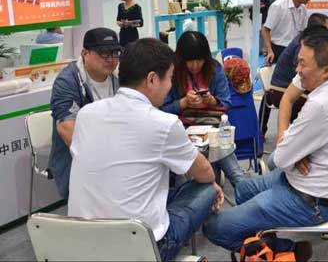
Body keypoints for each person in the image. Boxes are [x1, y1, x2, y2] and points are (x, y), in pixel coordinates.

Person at [203, 36, 328, 257]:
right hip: (305, 184)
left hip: (308, 201)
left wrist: (294, 151)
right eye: (298, 62)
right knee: (242, 190)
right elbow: (287, 152)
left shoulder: (320, 105)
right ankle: (268, 244)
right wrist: (297, 151)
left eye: (303, 64)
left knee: (214, 227)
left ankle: (286, 251)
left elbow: (280, 158)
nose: (297, 70)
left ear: (326, 71)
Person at [68, 39, 224, 262]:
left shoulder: (86, 114)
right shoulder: (164, 123)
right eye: (169, 78)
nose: (169, 86)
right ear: (152, 79)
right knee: (207, 188)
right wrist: (213, 184)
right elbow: (205, 172)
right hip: (142, 249)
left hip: (79, 245)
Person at [160, 31, 245, 187]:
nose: (195, 66)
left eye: (199, 60)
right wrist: (184, 103)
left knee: (234, 172)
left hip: (214, 124)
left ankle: (244, 190)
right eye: (190, 61)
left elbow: (227, 102)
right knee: (198, 174)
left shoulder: (215, 69)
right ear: (181, 59)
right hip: (185, 127)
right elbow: (162, 110)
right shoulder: (172, 73)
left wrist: (211, 100)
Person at [48, 28, 121, 199]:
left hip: (116, 152)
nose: (110, 59)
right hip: (78, 160)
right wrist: (102, 162)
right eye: (104, 53)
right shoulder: (68, 81)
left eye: (115, 53)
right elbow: (66, 128)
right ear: (85, 53)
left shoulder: (120, 76)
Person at [259, 14, 328, 137]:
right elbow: (300, 71)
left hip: (288, 87)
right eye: (326, 29)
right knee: (321, 105)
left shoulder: (305, 41)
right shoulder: (304, 45)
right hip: (281, 90)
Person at [262, 0, 315, 65]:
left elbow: (302, 32)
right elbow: (266, 29)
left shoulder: (303, 9)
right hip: (278, 49)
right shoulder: (278, 6)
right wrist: (270, 51)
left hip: (295, 49)